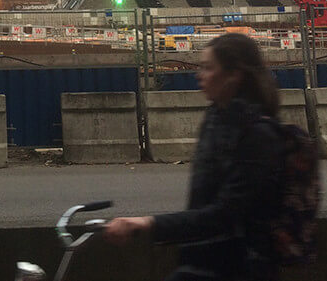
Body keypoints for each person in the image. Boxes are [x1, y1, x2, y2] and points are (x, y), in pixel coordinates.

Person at [105, 33, 284, 281]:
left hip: (240, 267)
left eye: (209, 68)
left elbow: (225, 214)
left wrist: (149, 224)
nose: (199, 75)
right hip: (204, 261)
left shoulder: (258, 135)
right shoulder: (215, 119)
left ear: (234, 74)